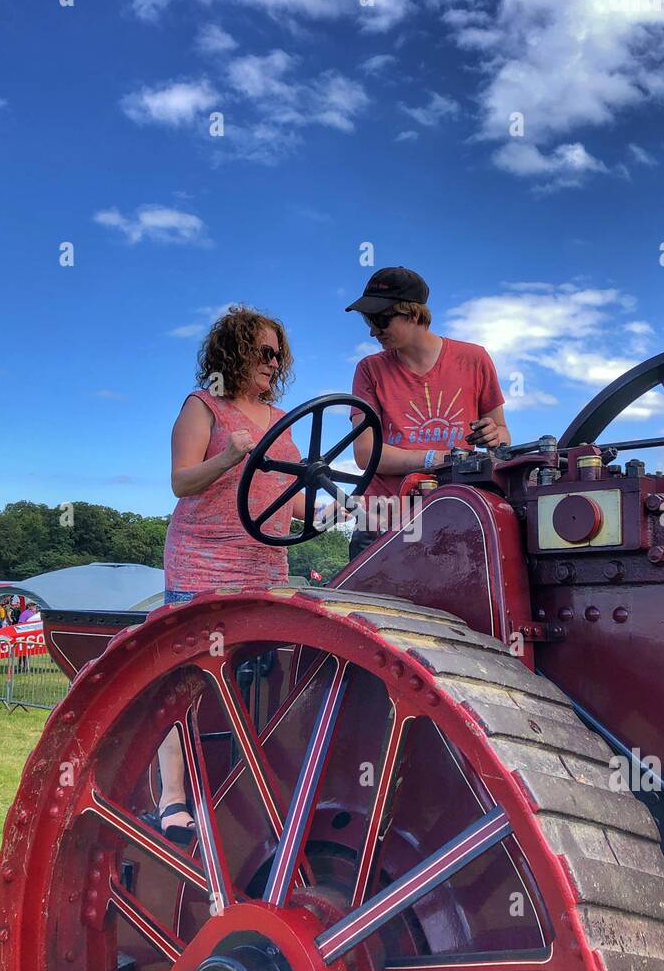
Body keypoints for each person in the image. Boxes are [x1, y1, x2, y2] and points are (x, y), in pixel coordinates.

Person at [152, 305, 303, 843]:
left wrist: (327, 506)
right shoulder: (203, 406)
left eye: (277, 353)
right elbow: (181, 481)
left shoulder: (281, 418)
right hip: (204, 560)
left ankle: (249, 789)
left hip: (265, 564)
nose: (272, 361)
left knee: (260, 677)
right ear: (234, 352)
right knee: (187, 675)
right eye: (263, 351)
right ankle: (172, 795)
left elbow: (290, 496)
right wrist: (226, 459)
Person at [344, 266, 511, 559]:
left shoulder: (475, 359)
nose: (373, 330)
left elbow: (504, 434)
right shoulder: (369, 370)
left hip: (455, 516)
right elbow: (366, 454)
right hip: (382, 518)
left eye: (381, 319)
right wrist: (436, 458)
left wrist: (495, 435)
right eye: (368, 320)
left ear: (413, 314)